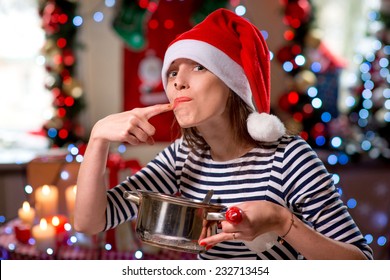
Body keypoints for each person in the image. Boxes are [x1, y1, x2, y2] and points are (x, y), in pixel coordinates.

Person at [74, 8, 373, 260]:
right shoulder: (183, 156)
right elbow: (90, 221)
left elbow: (362, 264)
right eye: (173, 72)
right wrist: (98, 138)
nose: (178, 82)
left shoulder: (289, 158)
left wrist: (282, 221)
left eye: (199, 67)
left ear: (233, 83)